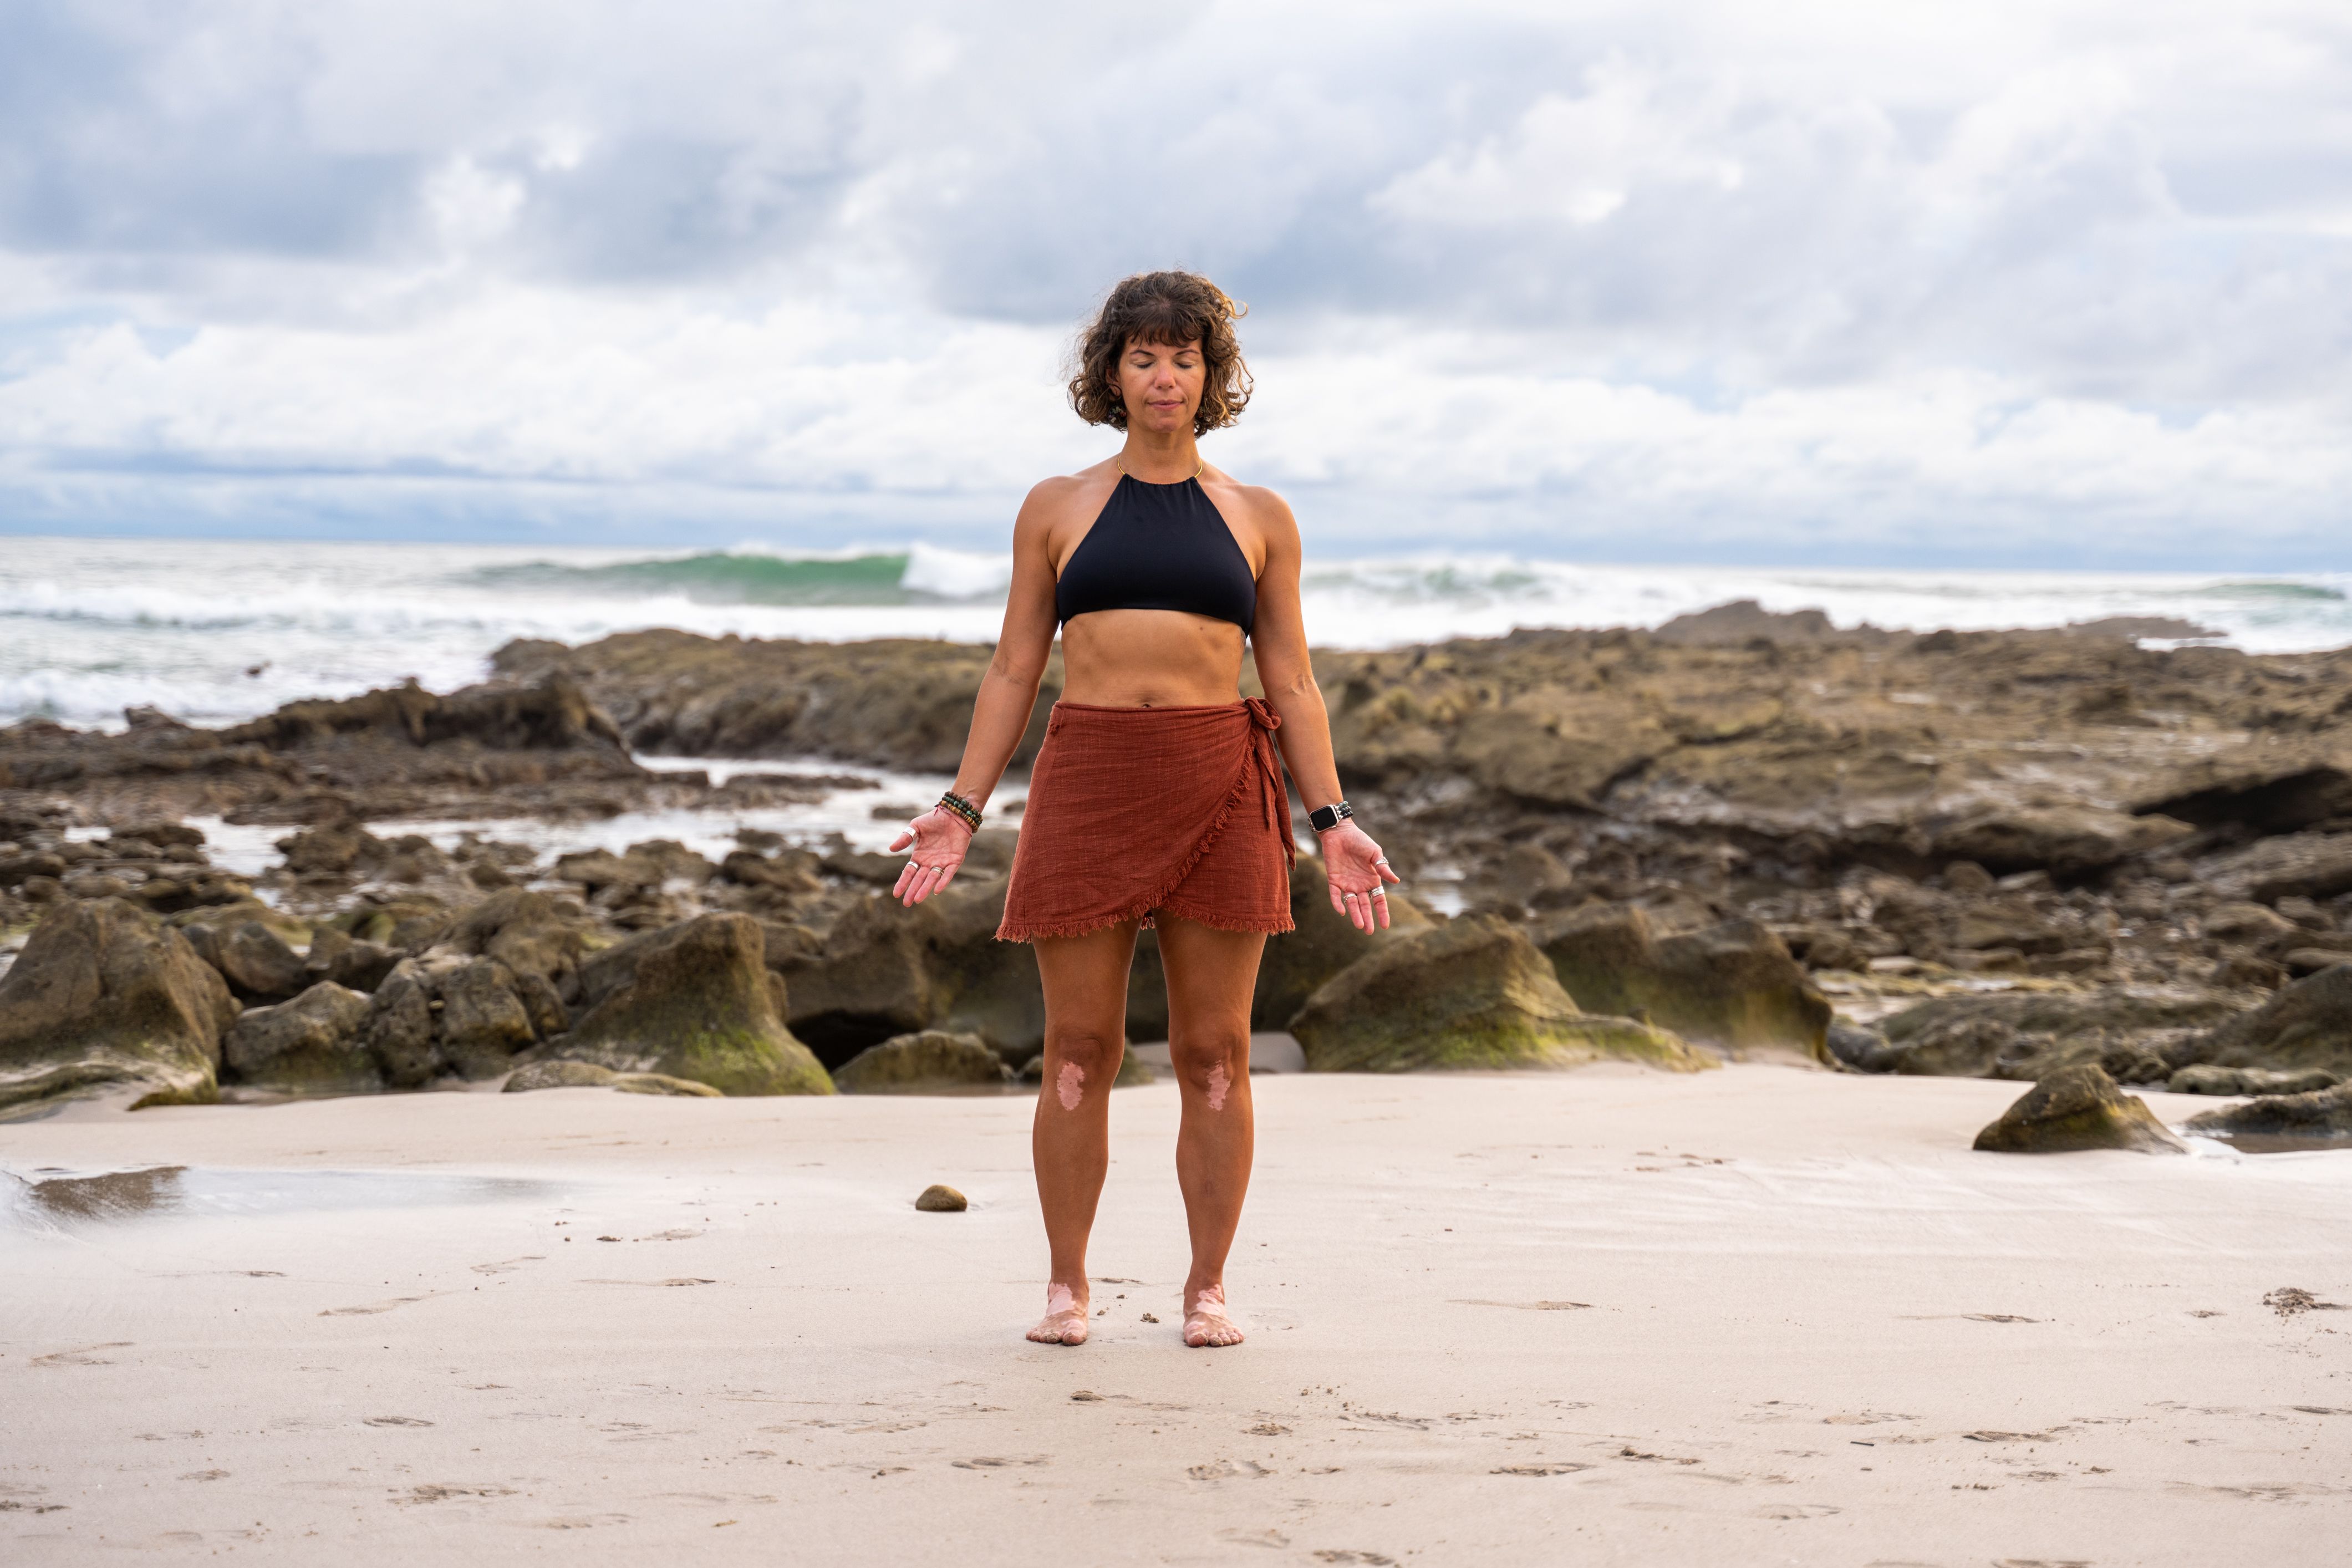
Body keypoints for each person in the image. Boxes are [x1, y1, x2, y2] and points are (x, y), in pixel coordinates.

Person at [888, 271, 1399, 1350]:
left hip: (1222, 774)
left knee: (1216, 1053)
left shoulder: (1259, 517)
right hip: (1089, 778)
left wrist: (1334, 818)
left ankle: (1207, 1287)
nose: (1164, 376)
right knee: (1079, 1046)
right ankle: (1067, 1286)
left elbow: (1292, 682)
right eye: (1143, 356)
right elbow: (1013, 670)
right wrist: (959, 806)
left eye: (1184, 358)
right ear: (1110, 374)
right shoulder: (1056, 506)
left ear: (1212, 377)